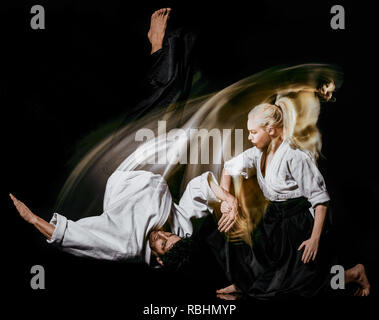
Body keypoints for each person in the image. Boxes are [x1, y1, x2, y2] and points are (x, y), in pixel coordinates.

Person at [211, 96, 371, 298]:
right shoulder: (257, 154)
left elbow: (321, 201)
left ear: (270, 130)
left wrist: (314, 239)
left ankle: (353, 273)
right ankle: (244, 284)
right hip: (274, 220)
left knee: (305, 286)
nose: (250, 137)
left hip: (300, 223)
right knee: (269, 273)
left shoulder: (295, 156)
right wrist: (228, 200)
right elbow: (228, 167)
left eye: (253, 132)